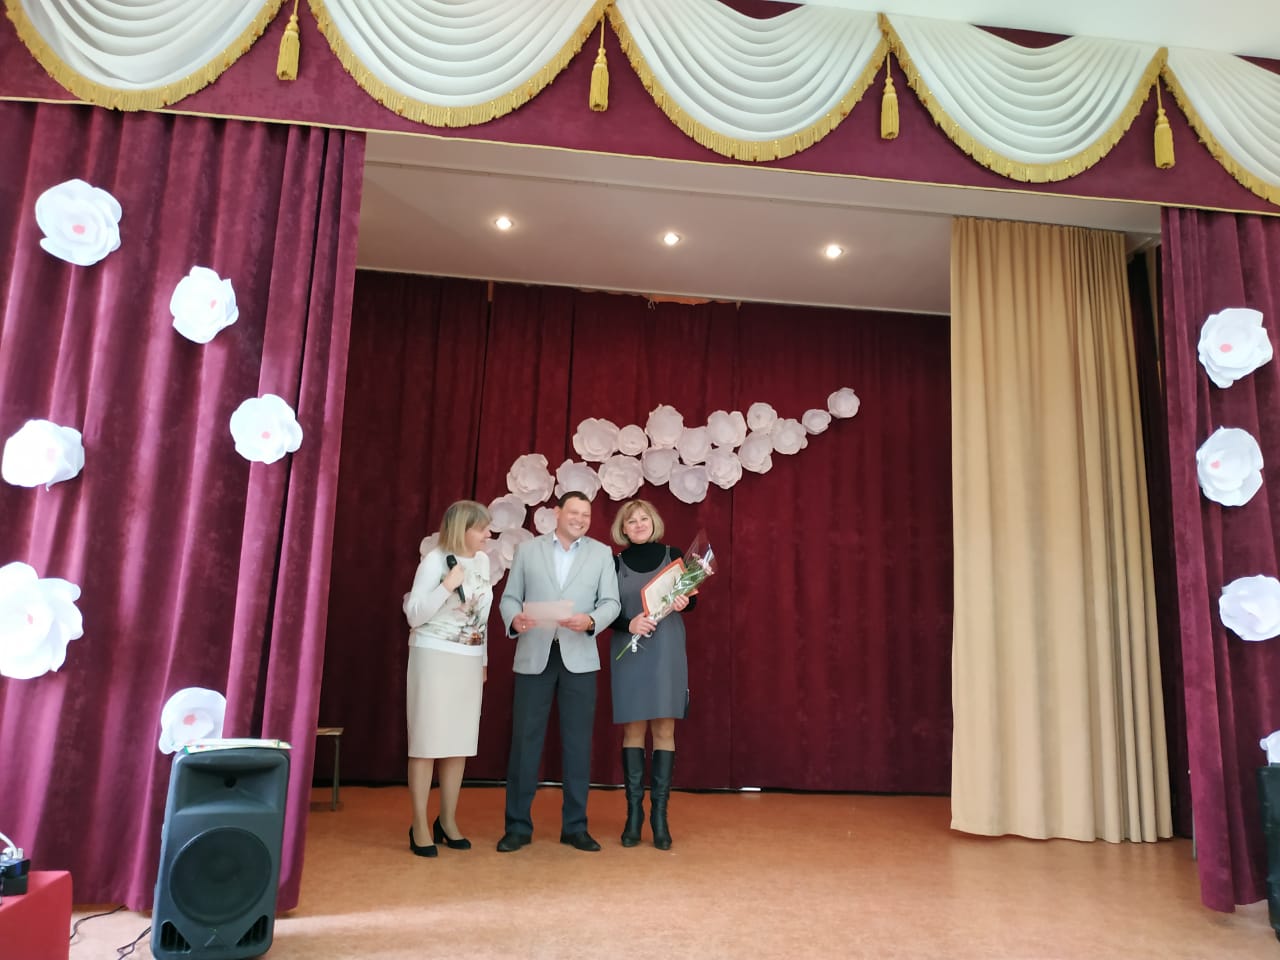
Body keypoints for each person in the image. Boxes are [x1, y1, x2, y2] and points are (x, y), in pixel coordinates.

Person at [497, 490, 621, 853]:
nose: (580, 519)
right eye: (573, 512)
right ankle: (517, 827)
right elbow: (509, 598)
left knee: (578, 744)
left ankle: (575, 827)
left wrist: (591, 620)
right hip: (534, 654)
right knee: (525, 743)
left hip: (579, 658)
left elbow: (611, 603)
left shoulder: (601, 554)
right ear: (557, 512)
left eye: (586, 515)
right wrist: (513, 619)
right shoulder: (528, 550)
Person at [402, 500, 493, 858]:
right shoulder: (434, 561)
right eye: (482, 528)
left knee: (458, 742)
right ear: (462, 530)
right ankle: (419, 824)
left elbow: (480, 617)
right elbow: (414, 615)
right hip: (433, 655)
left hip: (468, 658)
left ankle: (448, 820)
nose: (488, 534)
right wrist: (445, 587)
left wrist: (483, 658)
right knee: (427, 742)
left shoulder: (483, 562)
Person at [608, 499, 695, 850]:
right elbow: (605, 610)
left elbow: (692, 600)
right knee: (632, 730)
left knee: (664, 730)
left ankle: (660, 816)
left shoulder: (674, 555)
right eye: (632, 521)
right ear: (623, 529)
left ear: (654, 522)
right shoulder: (614, 563)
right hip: (629, 649)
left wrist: (685, 601)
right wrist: (628, 623)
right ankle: (634, 815)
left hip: (666, 652)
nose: (639, 524)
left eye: (644, 518)